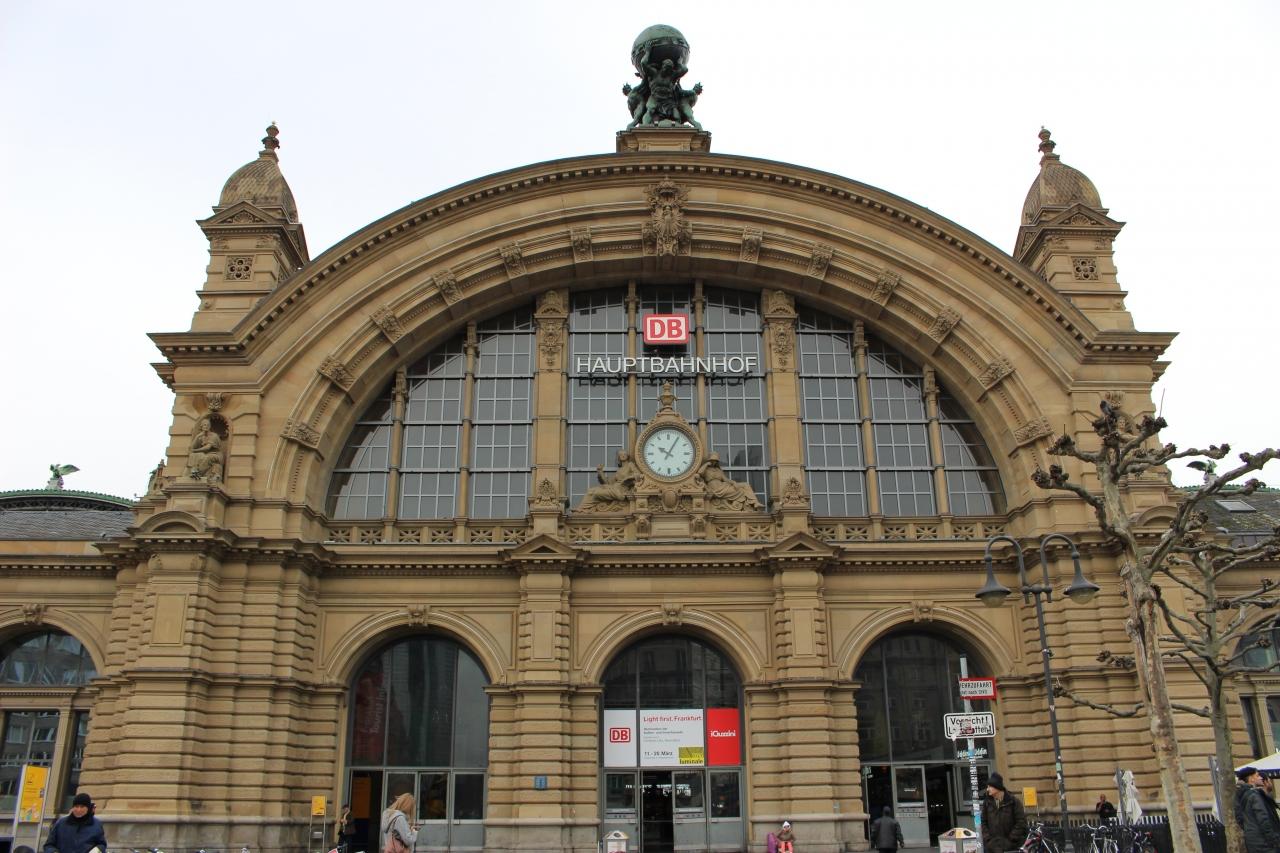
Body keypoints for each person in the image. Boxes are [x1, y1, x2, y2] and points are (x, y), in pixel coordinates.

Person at [1235, 766, 1280, 853]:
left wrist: (1250, 829)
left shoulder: (1240, 795)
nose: (1260, 778)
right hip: (1265, 842)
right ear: (1251, 779)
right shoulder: (1254, 796)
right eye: (1257, 775)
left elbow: (1239, 818)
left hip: (1253, 841)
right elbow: (1264, 819)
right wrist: (1274, 840)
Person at [980, 773, 1027, 853]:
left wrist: (1011, 839)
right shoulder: (987, 802)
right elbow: (983, 822)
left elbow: (1021, 822)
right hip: (992, 847)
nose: (987, 789)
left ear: (997, 787)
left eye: (989, 786)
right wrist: (988, 840)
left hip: (1010, 848)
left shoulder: (1013, 801)